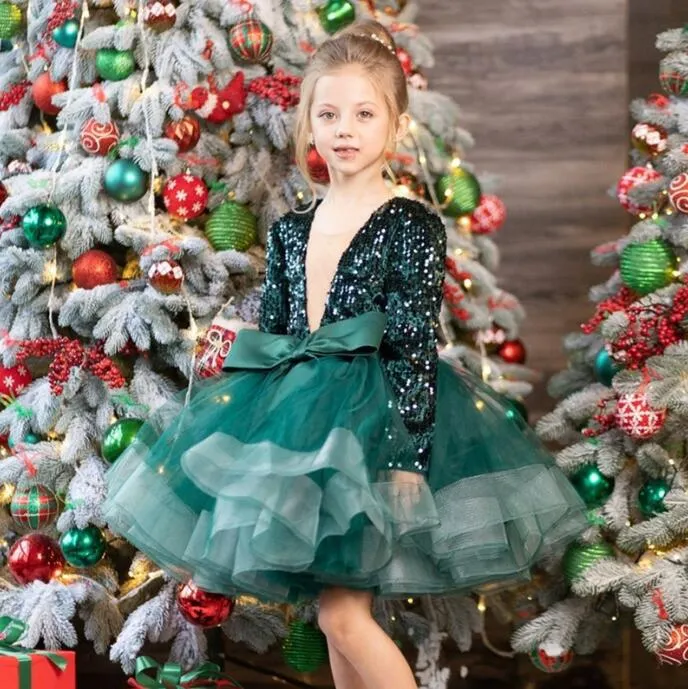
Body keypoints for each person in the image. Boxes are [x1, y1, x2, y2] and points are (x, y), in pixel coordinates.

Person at [103, 19, 587, 689]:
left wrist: (409, 455)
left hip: (378, 420)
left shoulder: (408, 221)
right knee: (335, 610)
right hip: (300, 422)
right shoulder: (292, 231)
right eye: (327, 113)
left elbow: (414, 338)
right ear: (308, 124)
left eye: (364, 113)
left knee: (342, 613)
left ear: (394, 124)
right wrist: (248, 399)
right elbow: (277, 335)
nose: (344, 128)